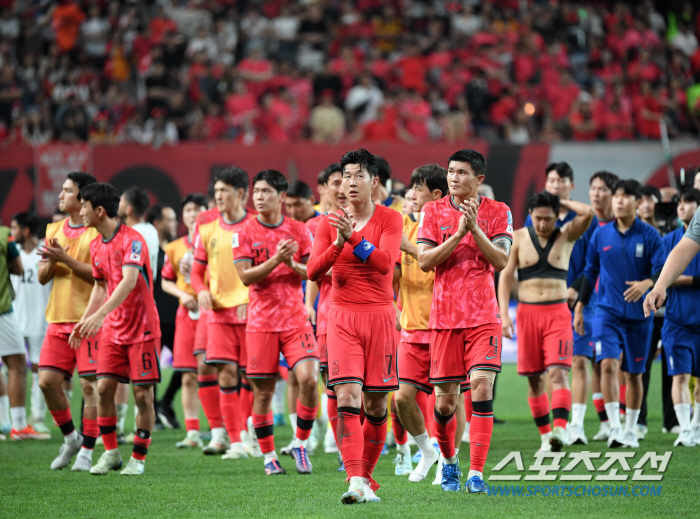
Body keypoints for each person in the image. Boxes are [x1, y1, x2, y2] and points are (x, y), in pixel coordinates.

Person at [307, 148, 403, 504]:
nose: (349, 182)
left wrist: (353, 239)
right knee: (346, 397)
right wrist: (337, 244)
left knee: (376, 407)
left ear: (374, 182)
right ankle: (353, 481)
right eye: (345, 176)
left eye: (358, 175)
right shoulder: (327, 222)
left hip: (379, 316)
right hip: (341, 316)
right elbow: (313, 271)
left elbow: (384, 264)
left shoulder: (391, 219)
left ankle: (365, 476)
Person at [416, 148, 512, 494]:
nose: (453, 178)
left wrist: (475, 229)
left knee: (483, 388)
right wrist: (458, 234)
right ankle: (450, 462)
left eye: (461, 173)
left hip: (484, 316)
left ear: (478, 180)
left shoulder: (499, 212)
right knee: (444, 403)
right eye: (450, 171)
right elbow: (425, 261)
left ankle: (476, 473)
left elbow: (500, 260)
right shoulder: (432, 211)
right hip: (444, 319)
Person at [70, 182, 161, 476]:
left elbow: (129, 281)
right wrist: (85, 321)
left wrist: (100, 315)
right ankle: (111, 453)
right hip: (113, 330)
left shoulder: (133, 240)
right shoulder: (96, 244)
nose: (80, 210)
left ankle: (138, 458)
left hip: (143, 330)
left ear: (98, 210)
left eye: (83, 205)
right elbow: (100, 286)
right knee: (104, 389)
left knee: (142, 396)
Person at [234, 169, 320, 475]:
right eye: (256, 191)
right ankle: (269, 456)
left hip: (295, 319)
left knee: (310, 379)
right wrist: (276, 261)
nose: (259, 197)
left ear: (281, 197)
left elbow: (312, 272)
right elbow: (245, 277)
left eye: (266, 191)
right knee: (264, 393)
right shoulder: (243, 232)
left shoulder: (299, 229)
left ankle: (300, 443)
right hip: (261, 323)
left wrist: (291, 263)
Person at [498, 192, 592, 451]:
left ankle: (560, 429)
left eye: (548, 219)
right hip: (527, 314)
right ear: (530, 215)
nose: (542, 224)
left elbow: (588, 213)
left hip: (557, 314)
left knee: (559, 373)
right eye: (537, 218)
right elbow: (505, 278)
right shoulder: (517, 238)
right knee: (534, 379)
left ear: (556, 216)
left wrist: (561, 202)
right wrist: (504, 313)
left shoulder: (566, 235)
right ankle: (545, 436)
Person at [575, 179, 664, 448]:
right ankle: (614, 427)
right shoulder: (600, 235)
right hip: (606, 313)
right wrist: (580, 307)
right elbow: (589, 274)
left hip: (640, 317)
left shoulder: (650, 236)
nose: (620, 201)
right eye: (617, 196)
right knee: (608, 365)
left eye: (626, 197)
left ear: (637, 202)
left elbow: (661, 271)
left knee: (635, 374)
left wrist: (647, 284)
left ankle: (630, 428)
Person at [38, 172, 102, 470]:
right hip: (57, 320)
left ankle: (87, 452)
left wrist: (64, 258)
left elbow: (101, 276)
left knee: (90, 389)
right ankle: (71, 438)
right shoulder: (53, 230)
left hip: (88, 322)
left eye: (67, 191)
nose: (60, 196)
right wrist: (52, 259)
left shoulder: (96, 233)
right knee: (47, 382)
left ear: (82, 198)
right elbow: (41, 277)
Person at [392, 164, 452, 481]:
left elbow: (435, 266)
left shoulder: (447, 227)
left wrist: (407, 248)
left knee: (444, 403)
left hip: (443, 328)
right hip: (412, 328)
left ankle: (447, 459)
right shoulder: (402, 226)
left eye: (417, 188)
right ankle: (426, 451)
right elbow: (396, 276)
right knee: (401, 398)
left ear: (436, 195)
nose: (411, 194)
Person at [191, 167, 254, 460]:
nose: (218, 197)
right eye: (216, 191)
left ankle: (250, 431)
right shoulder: (207, 228)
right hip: (218, 313)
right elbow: (196, 272)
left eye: (224, 191)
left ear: (241, 193)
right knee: (226, 375)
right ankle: (236, 442)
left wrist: (251, 296)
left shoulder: (255, 225)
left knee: (252, 376)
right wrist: (200, 289)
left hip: (251, 312)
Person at [567, 171, 619, 445]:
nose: (596, 194)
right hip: (587, 303)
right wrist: (576, 289)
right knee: (579, 361)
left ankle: (611, 424)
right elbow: (587, 265)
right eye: (593, 188)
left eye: (602, 189)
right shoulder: (587, 225)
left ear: (614, 193)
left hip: (613, 304)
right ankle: (576, 425)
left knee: (606, 366)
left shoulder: (623, 224)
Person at [652, 188, 700, 446]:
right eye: (678, 203)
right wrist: (661, 285)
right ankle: (684, 428)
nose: (681, 207)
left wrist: (677, 281)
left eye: (688, 202)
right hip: (677, 320)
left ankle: (696, 426)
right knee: (679, 375)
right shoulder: (671, 240)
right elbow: (661, 273)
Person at [305, 162, 346, 462]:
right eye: (337, 182)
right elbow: (314, 271)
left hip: (367, 312)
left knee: (366, 387)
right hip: (330, 312)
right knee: (331, 382)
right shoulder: (317, 225)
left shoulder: (374, 219)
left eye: (348, 180)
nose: (343, 188)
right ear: (325, 189)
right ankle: (337, 439)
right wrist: (309, 304)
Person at [161, 194, 208, 447]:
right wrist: (182, 295)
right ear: (183, 216)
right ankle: (192, 432)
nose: (193, 214)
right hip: (186, 315)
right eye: (189, 210)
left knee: (215, 373)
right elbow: (165, 280)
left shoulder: (214, 241)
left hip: (212, 312)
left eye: (198, 209)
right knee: (187, 375)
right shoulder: (175, 246)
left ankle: (222, 430)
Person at [115, 186, 161, 442]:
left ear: (129, 208)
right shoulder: (151, 231)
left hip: (132, 309)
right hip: (143, 307)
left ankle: (121, 426)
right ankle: (131, 427)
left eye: (120, 201)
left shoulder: (133, 234)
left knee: (127, 378)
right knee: (137, 381)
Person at [10, 212, 52, 433]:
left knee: (38, 370)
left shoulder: (45, 253)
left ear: (26, 230)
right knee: (11, 368)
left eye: (15, 227)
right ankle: (11, 416)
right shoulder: (11, 253)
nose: (11, 232)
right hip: (15, 320)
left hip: (40, 320)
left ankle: (36, 416)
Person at [147, 204, 181, 429]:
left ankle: (165, 403)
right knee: (150, 371)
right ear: (158, 224)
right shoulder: (148, 250)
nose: (175, 224)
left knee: (188, 366)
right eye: (170, 220)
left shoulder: (176, 250)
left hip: (177, 318)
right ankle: (154, 413)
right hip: (154, 318)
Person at [0, 218, 34, 442]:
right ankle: (18, 424)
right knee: (17, 363)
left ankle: (3, 422)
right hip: (2, 310)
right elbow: (19, 268)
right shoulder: (4, 235)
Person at [523, 163, 577, 228]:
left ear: (572, 186)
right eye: (551, 181)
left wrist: (560, 202)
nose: (556, 186)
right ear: (545, 185)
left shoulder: (580, 215)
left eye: (562, 181)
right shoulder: (536, 214)